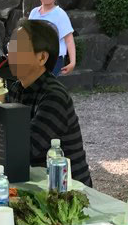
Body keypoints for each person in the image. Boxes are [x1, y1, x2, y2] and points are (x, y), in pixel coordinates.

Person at [9, 20, 91, 187]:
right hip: (36, 183)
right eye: (11, 47)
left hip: (68, 190)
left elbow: (26, 149)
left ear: (42, 58)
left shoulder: (54, 96)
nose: (11, 54)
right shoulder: (17, 88)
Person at [28, 0, 76, 77]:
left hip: (54, 59)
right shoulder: (34, 12)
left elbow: (69, 40)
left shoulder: (60, 14)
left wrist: (72, 62)